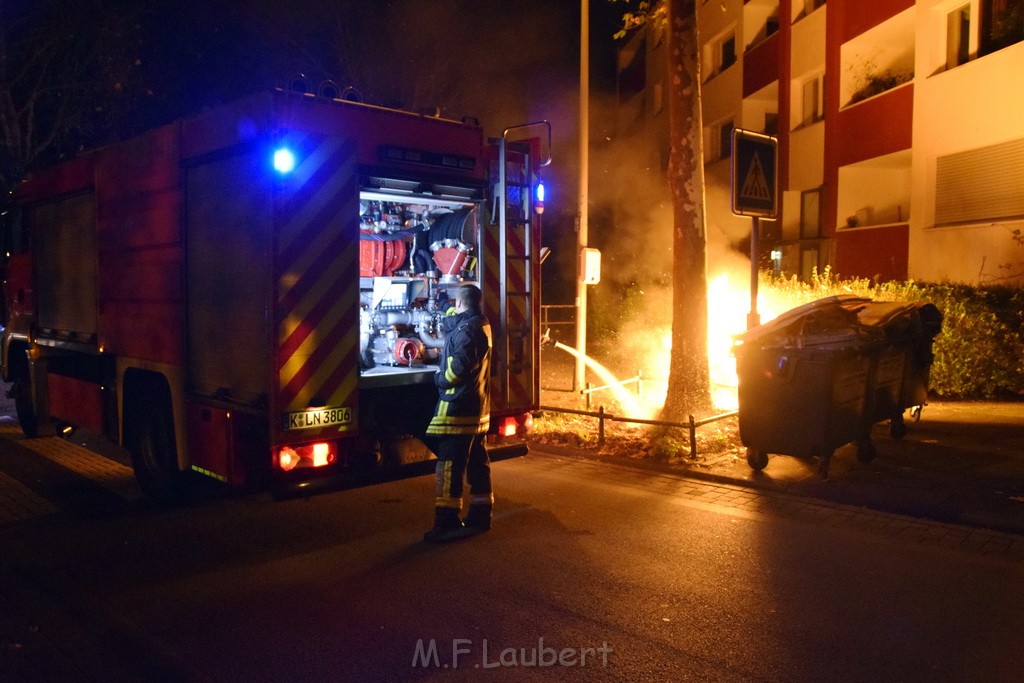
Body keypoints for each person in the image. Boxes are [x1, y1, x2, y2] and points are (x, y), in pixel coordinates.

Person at [420, 283, 493, 543]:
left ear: (460, 304)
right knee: (477, 464)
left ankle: (447, 521)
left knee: (450, 467)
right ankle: (481, 514)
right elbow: (454, 323)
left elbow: (457, 369)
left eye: (454, 304)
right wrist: (440, 305)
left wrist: (440, 378)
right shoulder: (477, 322)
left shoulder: (467, 331)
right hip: (475, 408)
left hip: (458, 409)